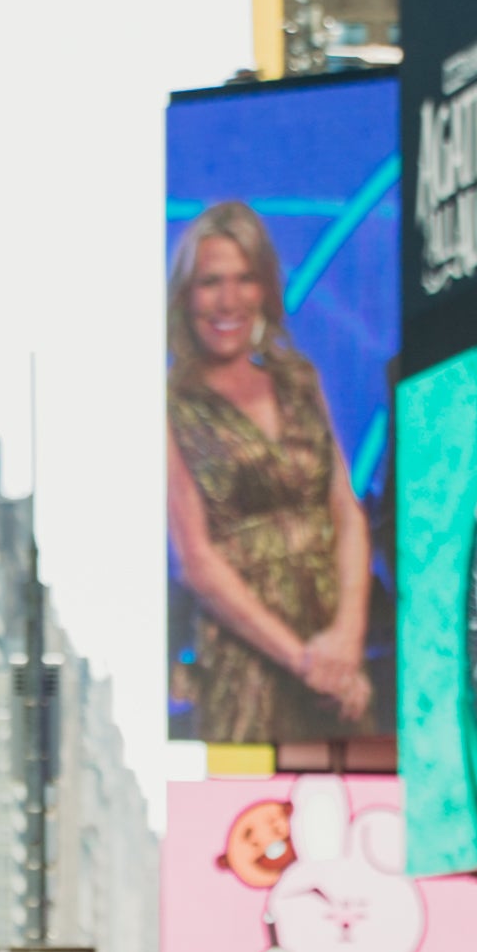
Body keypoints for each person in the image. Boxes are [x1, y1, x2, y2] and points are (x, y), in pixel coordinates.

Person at [165, 200, 379, 745]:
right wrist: (304, 661)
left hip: (338, 657)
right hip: (249, 670)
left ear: (264, 288)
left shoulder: (299, 380)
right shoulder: (170, 406)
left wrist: (346, 641)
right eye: (211, 282)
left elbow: (347, 513)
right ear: (186, 295)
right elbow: (196, 562)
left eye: (244, 279)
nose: (228, 300)